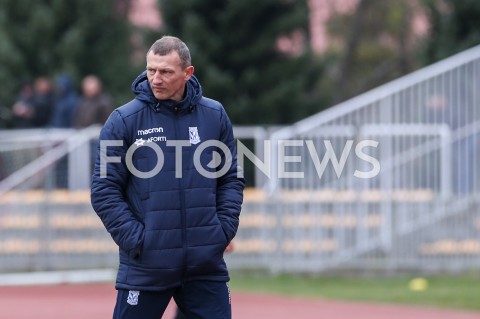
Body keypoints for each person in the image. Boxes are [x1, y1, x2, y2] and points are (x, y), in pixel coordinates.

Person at [91, 36, 245, 319]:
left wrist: (222, 230)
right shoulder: (123, 120)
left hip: (204, 264)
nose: (156, 79)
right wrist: (138, 241)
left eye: (166, 72)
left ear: (188, 73)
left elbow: (230, 179)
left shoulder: (214, 115)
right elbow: (104, 189)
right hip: (147, 263)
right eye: (151, 70)